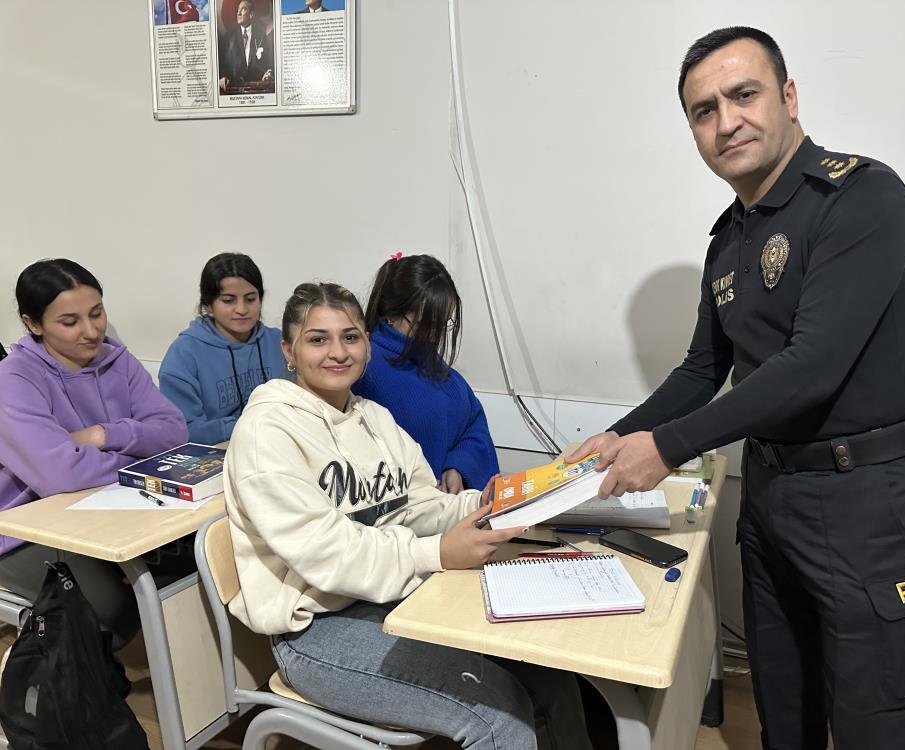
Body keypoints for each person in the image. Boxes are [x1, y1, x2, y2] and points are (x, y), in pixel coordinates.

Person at [568, 26, 905, 750]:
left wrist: (667, 448)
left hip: (869, 503)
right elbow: (702, 370)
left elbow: (811, 368)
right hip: (773, 500)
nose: (725, 121)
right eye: (703, 111)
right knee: (785, 708)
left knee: (874, 722)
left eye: (742, 95)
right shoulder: (730, 238)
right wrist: (623, 434)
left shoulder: (861, 198)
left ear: (788, 95)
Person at [224, 282, 593, 749]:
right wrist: (437, 553)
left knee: (549, 672)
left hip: (399, 598)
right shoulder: (267, 432)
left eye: (351, 337)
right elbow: (328, 553)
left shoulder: (374, 418)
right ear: (289, 351)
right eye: (318, 339)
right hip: (317, 631)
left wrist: (486, 503)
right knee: (500, 715)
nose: (338, 352)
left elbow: (418, 504)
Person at [0, 259, 188, 648]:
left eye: (97, 313)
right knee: (109, 614)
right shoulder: (14, 379)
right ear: (34, 324)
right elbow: (60, 476)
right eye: (70, 322)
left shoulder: (116, 359)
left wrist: (103, 434)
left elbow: (173, 432)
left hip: (101, 508)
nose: (91, 331)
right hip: (20, 529)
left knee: (188, 568)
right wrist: (137, 462)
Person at [353, 253, 500, 492]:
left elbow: (473, 427)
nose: (434, 335)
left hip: (446, 513)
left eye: (441, 325)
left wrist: (459, 466)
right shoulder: (363, 366)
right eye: (424, 324)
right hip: (398, 518)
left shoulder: (447, 377)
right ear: (390, 312)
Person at [159, 252, 290, 445]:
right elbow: (182, 430)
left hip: (279, 443)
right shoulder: (184, 354)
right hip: (216, 454)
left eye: (250, 299)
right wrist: (245, 424)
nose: (242, 309)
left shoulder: (280, 342)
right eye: (228, 300)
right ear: (208, 304)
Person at [218, 0, 274, 93]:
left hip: (256, 91)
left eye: (243, 9)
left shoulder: (261, 36)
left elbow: (268, 61)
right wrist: (221, 77)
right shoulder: (228, 36)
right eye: (238, 10)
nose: (238, 13)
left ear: (251, 14)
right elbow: (221, 61)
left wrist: (268, 72)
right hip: (232, 90)